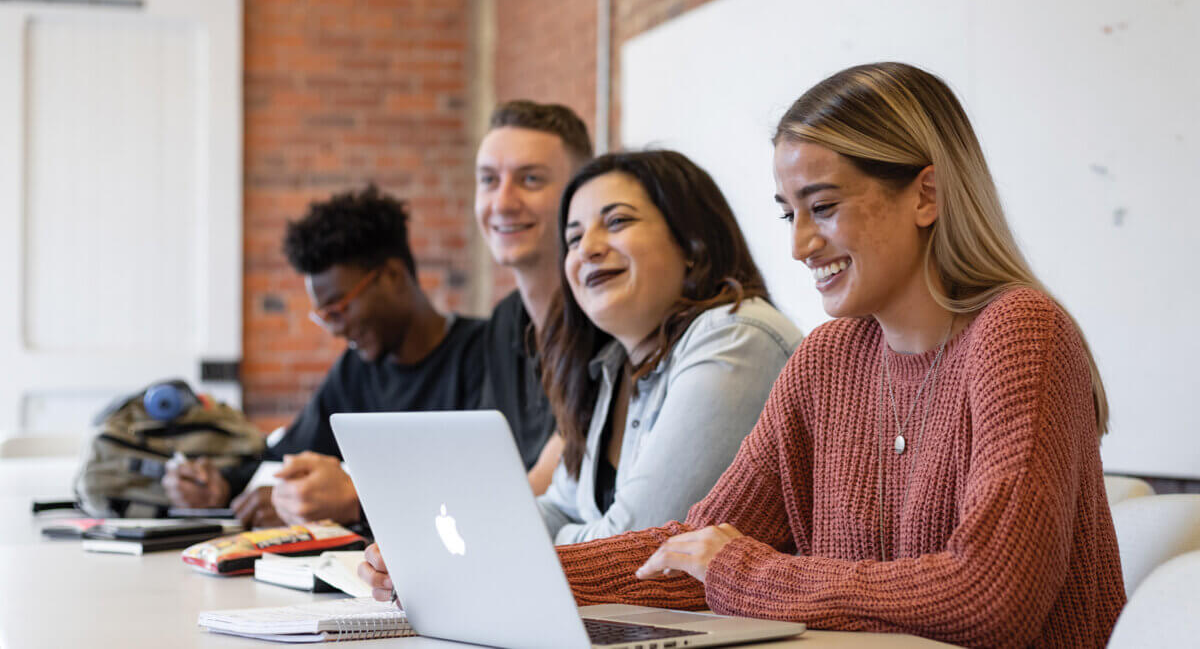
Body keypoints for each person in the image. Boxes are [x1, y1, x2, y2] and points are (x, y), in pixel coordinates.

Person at [366, 63, 1127, 647]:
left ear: (926, 195)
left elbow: (991, 593)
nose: (798, 245)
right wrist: (476, 572)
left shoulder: (1020, 332)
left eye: (822, 207)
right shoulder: (828, 361)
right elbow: (691, 553)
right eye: (789, 212)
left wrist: (747, 572)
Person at [164, 185, 488, 527]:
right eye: (324, 316)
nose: (334, 330)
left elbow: (486, 488)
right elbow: (284, 458)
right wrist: (222, 486)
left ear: (392, 276)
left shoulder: (484, 354)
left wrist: (356, 500)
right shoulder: (356, 369)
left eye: (339, 309)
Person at [535, 150, 802, 543]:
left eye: (617, 221)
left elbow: (638, 542)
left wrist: (526, 549)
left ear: (692, 244)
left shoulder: (737, 336)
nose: (587, 248)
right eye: (573, 238)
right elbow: (561, 507)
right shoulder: (610, 366)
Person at [473, 100, 595, 493]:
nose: (503, 203)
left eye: (530, 180)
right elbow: (489, 468)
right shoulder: (506, 320)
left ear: (579, 195)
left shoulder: (607, 320)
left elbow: (540, 491)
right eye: (489, 180)